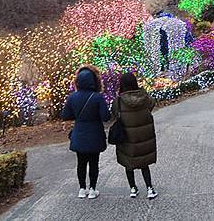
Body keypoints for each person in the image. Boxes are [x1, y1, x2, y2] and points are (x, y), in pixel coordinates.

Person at [62, 66, 110, 199]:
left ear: (77, 81)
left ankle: (82, 189)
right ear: (94, 81)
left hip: (79, 134)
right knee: (94, 162)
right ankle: (93, 189)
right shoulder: (98, 97)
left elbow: (65, 115)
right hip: (95, 134)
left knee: (81, 163)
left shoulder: (72, 97)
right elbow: (105, 117)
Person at [112, 73, 158, 200]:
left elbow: (114, 113)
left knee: (128, 163)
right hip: (144, 137)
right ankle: (149, 188)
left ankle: (133, 188)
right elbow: (152, 104)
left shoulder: (119, 101)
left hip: (127, 138)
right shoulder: (145, 98)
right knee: (144, 163)